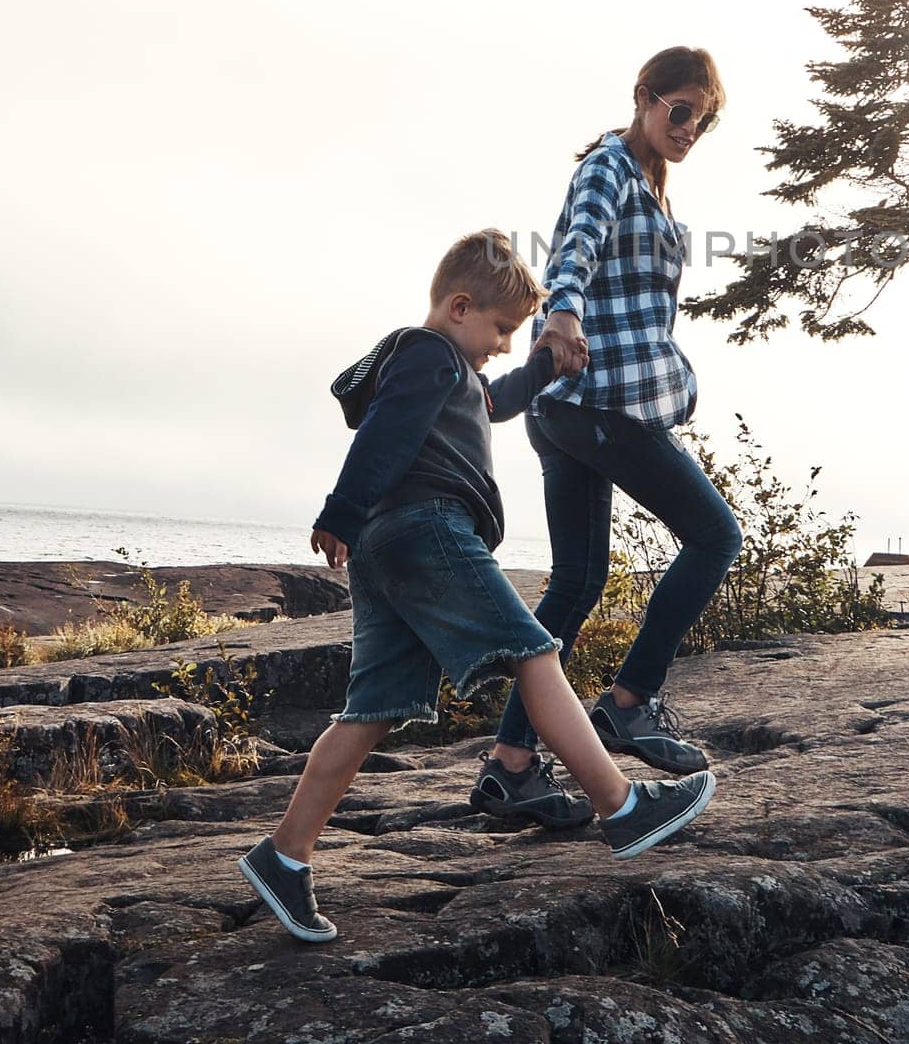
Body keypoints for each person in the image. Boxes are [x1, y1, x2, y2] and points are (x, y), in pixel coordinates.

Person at [237, 229, 716, 944]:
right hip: (428, 530)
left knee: (370, 710)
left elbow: (492, 401)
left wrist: (545, 363)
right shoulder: (426, 355)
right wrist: (340, 508)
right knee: (534, 654)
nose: (500, 343)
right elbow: (386, 435)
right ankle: (621, 808)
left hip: (388, 546)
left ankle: (283, 856)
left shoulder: (445, 369)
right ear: (460, 307)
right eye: (499, 329)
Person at [471, 47, 741, 821]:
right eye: (681, 110)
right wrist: (560, 312)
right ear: (645, 99)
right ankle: (629, 701)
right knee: (716, 535)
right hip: (598, 400)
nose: (691, 127)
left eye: (705, 118)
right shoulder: (611, 171)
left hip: (567, 409)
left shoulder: (648, 185)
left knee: (578, 582)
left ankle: (510, 766)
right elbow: (575, 249)